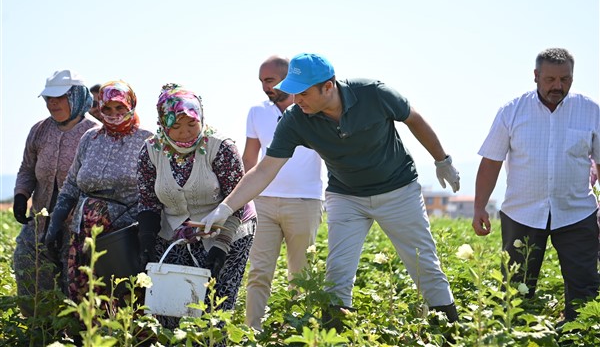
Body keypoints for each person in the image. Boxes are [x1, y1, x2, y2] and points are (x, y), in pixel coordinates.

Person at [200, 53, 461, 328]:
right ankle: (335, 337)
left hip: (397, 189)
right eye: (293, 93)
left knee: (425, 268)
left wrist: (442, 160)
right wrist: (226, 207)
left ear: (328, 86)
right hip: (346, 197)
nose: (297, 100)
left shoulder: (373, 93)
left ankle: (449, 334)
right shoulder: (296, 118)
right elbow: (265, 169)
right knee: (337, 275)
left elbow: (414, 119)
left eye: (303, 93)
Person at [472, 48, 600, 322]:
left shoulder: (591, 110)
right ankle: (516, 335)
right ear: (536, 76)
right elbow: (491, 162)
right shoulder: (512, 111)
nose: (558, 86)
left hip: (577, 212)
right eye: (550, 79)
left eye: (565, 79)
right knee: (517, 288)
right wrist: (479, 206)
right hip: (523, 213)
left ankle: (577, 336)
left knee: (585, 287)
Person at [136, 83, 256, 328]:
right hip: (174, 232)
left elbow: (238, 198)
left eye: (192, 124)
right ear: (163, 125)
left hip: (230, 229)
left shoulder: (220, 147)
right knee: (171, 308)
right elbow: (148, 200)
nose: (185, 132)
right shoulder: (150, 151)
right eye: (176, 126)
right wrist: (146, 240)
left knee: (215, 309)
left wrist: (221, 245)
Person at [44, 80, 152, 302]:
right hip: (83, 232)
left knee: (120, 294)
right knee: (83, 293)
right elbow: (72, 183)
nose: (113, 113)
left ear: (131, 105)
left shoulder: (147, 140)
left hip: (121, 234)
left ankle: (121, 338)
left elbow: (154, 190)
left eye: (120, 107)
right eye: (107, 108)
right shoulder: (91, 138)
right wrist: (56, 221)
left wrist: (147, 234)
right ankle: (85, 338)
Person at [243, 55, 325, 330]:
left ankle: (299, 331)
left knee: (301, 275)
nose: (265, 87)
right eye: (262, 81)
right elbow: (249, 158)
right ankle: (252, 332)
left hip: (305, 201)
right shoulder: (257, 111)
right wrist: (244, 201)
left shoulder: (313, 110)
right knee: (258, 273)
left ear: (287, 78)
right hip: (263, 203)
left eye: (270, 80)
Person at [12, 69, 97, 315]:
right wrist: (21, 196)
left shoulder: (94, 134)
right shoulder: (39, 131)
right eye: (49, 98)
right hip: (39, 222)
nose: (52, 103)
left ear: (77, 97)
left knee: (74, 290)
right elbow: (27, 169)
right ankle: (37, 330)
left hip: (77, 228)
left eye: (59, 98)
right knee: (29, 269)